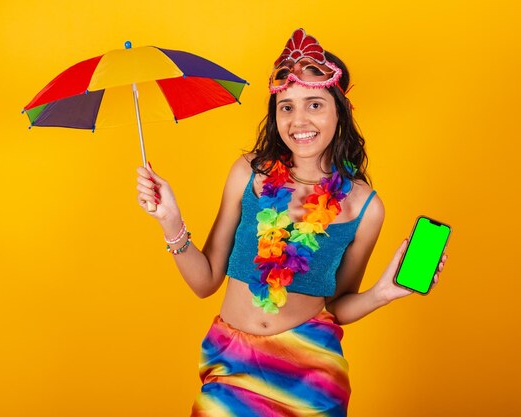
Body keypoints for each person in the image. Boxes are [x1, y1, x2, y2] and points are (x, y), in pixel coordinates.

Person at [136, 28, 448, 417]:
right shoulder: (249, 173)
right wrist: (170, 220)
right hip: (229, 365)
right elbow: (205, 282)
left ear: (341, 111)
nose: (299, 119)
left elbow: (336, 306)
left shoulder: (363, 206)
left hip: (311, 378)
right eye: (286, 106)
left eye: (315, 104)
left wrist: (383, 292)